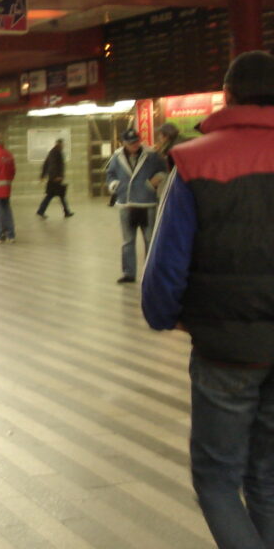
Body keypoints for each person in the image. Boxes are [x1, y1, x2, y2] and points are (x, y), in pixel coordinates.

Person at [141, 50, 274, 549]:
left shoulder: (195, 161)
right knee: (267, 479)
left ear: (229, 96)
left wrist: (164, 315)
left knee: (218, 483)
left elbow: (167, 263)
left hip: (225, 351)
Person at [105, 128, 167, 283]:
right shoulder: (117, 156)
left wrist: (153, 182)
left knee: (149, 239)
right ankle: (128, 273)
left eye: (136, 141)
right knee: (128, 241)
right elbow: (110, 174)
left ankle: (152, 272)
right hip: (126, 203)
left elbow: (163, 170)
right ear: (123, 143)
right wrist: (114, 185)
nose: (134, 145)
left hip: (147, 203)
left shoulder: (151, 155)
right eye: (130, 142)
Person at [37, 139, 74, 219]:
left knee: (55, 195)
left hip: (53, 178)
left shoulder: (53, 152)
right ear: (59, 144)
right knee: (57, 195)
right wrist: (56, 176)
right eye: (62, 144)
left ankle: (41, 211)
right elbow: (53, 165)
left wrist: (43, 175)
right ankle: (66, 212)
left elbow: (46, 164)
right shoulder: (56, 152)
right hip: (55, 179)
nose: (63, 146)